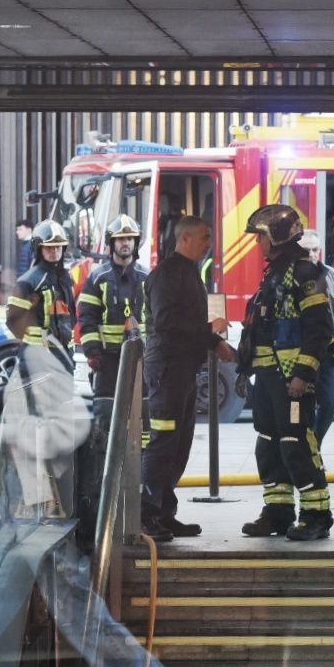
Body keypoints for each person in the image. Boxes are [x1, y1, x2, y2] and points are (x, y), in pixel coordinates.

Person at [238, 205, 334, 542]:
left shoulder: (307, 273)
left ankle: (317, 515)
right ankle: (278, 512)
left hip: (291, 379)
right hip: (267, 377)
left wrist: (302, 374)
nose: (257, 244)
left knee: (297, 444)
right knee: (268, 444)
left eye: (260, 237)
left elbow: (318, 329)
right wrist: (244, 367)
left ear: (276, 238)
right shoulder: (275, 273)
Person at [141, 215, 231, 542]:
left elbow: (186, 322)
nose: (209, 244)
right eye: (205, 237)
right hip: (167, 370)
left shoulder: (189, 273)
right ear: (185, 239)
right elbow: (167, 323)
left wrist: (214, 343)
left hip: (183, 369)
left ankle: (165, 513)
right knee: (163, 443)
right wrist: (211, 332)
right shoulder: (167, 275)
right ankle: (147, 516)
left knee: (179, 445)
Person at [77, 214, 148, 399]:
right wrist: (93, 352)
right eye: (121, 239)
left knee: (142, 412)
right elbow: (87, 318)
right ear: (112, 242)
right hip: (107, 358)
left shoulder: (147, 277)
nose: (126, 243)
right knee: (106, 410)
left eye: (130, 238)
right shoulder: (97, 278)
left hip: (142, 356)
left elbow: (157, 318)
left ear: (136, 242)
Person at [300, 228, 334, 441]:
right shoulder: (290, 277)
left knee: (330, 404)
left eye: (315, 250)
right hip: (301, 353)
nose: (312, 254)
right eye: (306, 250)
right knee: (303, 408)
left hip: (329, 353)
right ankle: (307, 455)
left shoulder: (332, 275)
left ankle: (314, 447)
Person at [6, 221, 76, 370]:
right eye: (49, 247)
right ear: (38, 249)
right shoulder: (27, 281)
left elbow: (72, 315)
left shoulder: (66, 278)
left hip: (64, 356)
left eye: (58, 247)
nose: (54, 251)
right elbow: (13, 321)